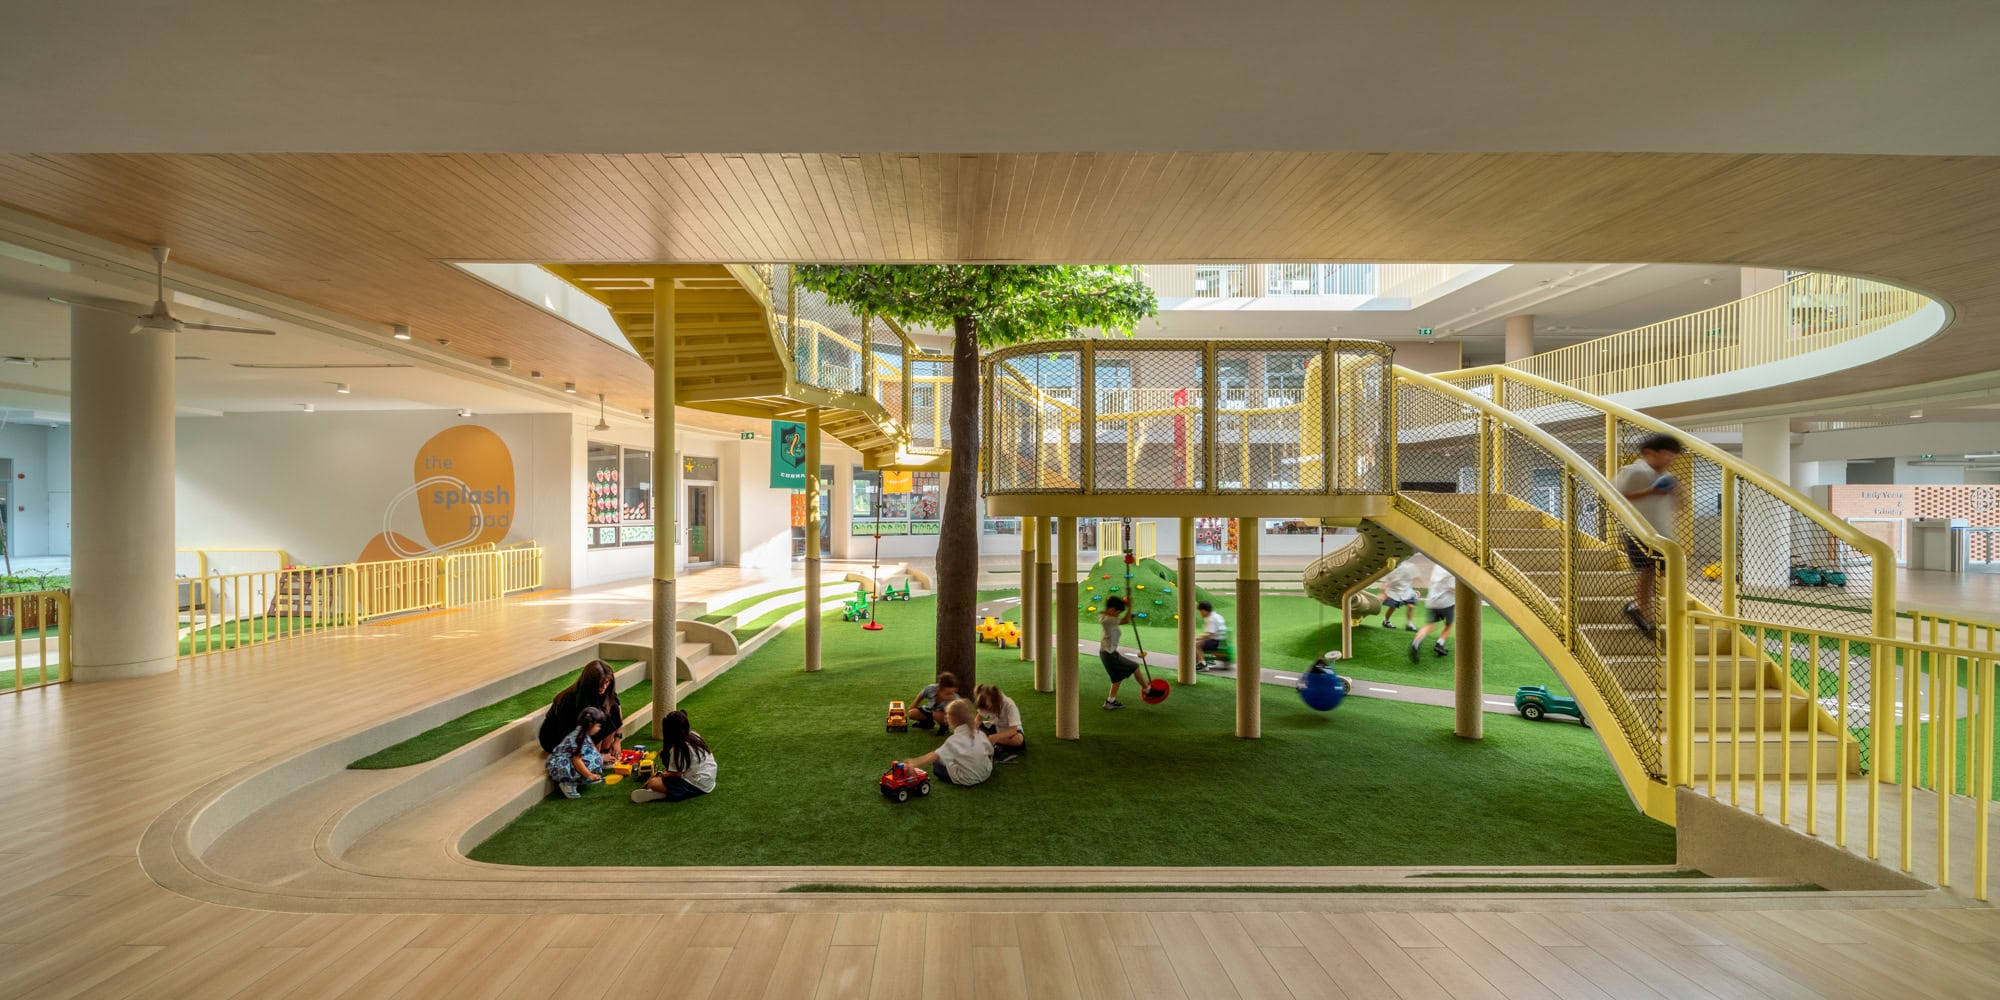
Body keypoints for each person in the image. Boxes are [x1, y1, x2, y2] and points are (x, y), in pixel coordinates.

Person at [1613, 433, 1684, 634]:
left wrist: (1677, 492)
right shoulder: (1633, 471)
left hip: (1663, 534)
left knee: (1660, 573)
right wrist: (1648, 492)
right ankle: (1644, 612)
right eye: (1666, 454)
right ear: (1649, 453)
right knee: (1647, 572)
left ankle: (1639, 607)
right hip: (1638, 532)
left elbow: (1681, 505)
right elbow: (1614, 495)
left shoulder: (1667, 477)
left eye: (1673, 456)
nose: (1670, 459)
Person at [537, 659, 624, 756]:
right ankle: (597, 755)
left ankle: (604, 751)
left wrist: (617, 740)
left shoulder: (605, 691)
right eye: (600, 684)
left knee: (611, 709)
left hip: (582, 731)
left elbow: (617, 709)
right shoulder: (569, 699)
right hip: (556, 737)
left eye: (606, 682)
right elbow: (568, 735)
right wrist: (596, 756)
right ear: (590, 683)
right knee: (597, 722)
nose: (603, 687)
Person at [898, 699, 993, 787]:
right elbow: (990, 751)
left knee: (937, 764)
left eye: (947, 714)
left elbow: (933, 756)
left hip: (968, 778)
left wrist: (913, 764)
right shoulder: (979, 733)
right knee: (951, 756)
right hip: (986, 772)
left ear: (951, 719)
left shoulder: (954, 740)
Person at [630, 709, 716, 803]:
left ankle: (662, 793)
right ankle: (667, 792)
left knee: (653, 783)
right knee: (657, 779)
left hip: (697, 784)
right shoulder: (694, 735)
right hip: (708, 779)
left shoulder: (678, 749)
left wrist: (660, 775)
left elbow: (677, 774)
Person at [545, 706, 607, 799]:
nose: (599, 728)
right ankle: (567, 783)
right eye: (598, 726)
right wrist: (589, 775)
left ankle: (580, 777)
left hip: (571, 759)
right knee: (589, 761)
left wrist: (602, 757)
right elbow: (576, 759)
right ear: (590, 724)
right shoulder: (578, 737)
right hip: (560, 764)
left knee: (597, 758)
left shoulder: (583, 734)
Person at [1099, 596, 1142, 709]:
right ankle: (1148, 690)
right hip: (1109, 655)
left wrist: (1123, 604)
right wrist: (1129, 607)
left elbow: (1111, 605)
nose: (1118, 615)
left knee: (1117, 677)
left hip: (1108, 653)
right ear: (1112, 610)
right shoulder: (1109, 620)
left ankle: (1110, 701)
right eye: (1118, 612)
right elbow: (1125, 620)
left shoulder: (1104, 616)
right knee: (1134, 666)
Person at [1410, 564, 1456, 662]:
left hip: (1432, 601)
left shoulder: (1437, 566)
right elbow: (1454, 588)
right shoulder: (1452, 571)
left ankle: (1415, 643)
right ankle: (1440, 644)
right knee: (1448, 625)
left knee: (1430, 625)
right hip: (1446, 602)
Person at [974, 683, 1025, 759]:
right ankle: (990, 741)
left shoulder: (1009, 704)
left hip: (1011, 732)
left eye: (989, 708)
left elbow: (1013, 730)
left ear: (995, 700)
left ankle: (990, 741)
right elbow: (978, 718)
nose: (987, 711)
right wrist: (972, 730)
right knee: (975, 728)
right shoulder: (986, 704)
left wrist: (996, 737)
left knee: (1018, 739)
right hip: (996, 728)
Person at [1378, 561, 1419, 631]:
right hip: (1393, 591)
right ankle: (1386, 621)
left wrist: (1414, 591)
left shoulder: (1408, 566)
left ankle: (1409, 624)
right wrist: (1383, 593)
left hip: (1407, 591)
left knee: (1411, 606)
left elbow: (1415, 578)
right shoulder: (1388, 569)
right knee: (1392, 607)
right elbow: (1384, 583)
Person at [1195, 600, 1230, 670]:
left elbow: (1209, 634)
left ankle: (1203, 665)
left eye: (1200, 611)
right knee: (1199, 641)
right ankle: (1206, 661)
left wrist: (1197, 637)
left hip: (1215, 642)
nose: (1200, 613)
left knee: (1195, 644)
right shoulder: (1216, 616)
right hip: (1220, 640)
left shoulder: (1211, 619)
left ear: (1204, 611)